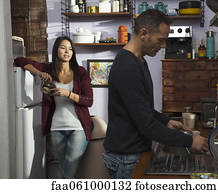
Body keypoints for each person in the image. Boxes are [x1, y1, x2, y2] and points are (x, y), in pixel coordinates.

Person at [103, 9, 208, 179]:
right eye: (161, 40)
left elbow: (143, 109)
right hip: (125, 158)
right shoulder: (127, 66)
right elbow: (146, 125)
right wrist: (190, 141)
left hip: (132, 153)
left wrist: (166, 121)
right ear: (144, 33)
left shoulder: (139, 61)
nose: (164, 46)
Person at [14, 36, 93, 178]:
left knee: (69, 171)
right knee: (64, 170)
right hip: (56, 129)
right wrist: (39, 73)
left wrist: (67, 93)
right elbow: (19, 61)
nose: (67, 51)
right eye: (63, 48)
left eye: (70, 49)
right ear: (56, 50)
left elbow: (89, 100)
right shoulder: (49, 69)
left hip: (78, 129)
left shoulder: (80, 72)